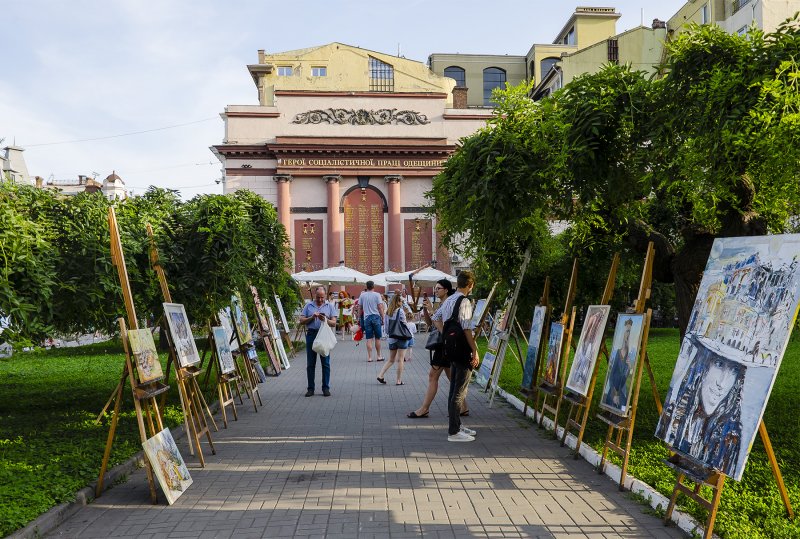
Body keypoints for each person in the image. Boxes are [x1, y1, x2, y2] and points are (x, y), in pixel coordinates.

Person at [656, 343, 744, 476]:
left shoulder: (730, 438)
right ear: (702, 366)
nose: (722, 383)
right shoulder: (676, 415)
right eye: (719, 364)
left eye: (734, 370)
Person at [408, 279, 467, 419]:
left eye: (438, 288)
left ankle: (424, 409)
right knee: (452, 377)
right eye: (435, 288)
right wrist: (425, 310)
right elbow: (431, 324)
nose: (436, 291)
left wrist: (431, 309)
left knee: (432, 376)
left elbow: (445, 323)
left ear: (446, 290)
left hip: (444, 344)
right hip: (443, 343)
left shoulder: (449, 304)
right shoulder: (441, 304)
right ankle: (463, 407)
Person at [433, 270, 479, 442]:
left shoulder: (449, 299)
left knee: (454, 388)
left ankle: (457, 425)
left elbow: (435, 317)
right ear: (470, 285)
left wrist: (445, 333)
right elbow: (466, 328)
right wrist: (474, 350)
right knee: (459, 391)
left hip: (450, 348)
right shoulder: (465, 301)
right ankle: (454, 432)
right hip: (462, 349)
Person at [298, 286, 337, 397]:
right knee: (311, 363)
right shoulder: (308, 305)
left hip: (324, 335)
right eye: (318, 297)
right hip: (312, 334)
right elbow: (301, 321)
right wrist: (311, 317)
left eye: (322, 297)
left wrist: (325, 319)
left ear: (325, 296)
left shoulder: (329, 306)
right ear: (315, 295)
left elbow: (334, 323)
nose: (320, 300)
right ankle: (310, 388)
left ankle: (326, 388)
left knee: (326, 363)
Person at [602, 317, 635, 411]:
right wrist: (614, 393)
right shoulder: (617, 352)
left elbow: (626, 379)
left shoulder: (631, 356)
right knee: (610, 405)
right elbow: (611, 375)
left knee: (623, 406)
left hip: (622, 390)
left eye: (629, 332)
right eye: (626, 331)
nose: (627, 335)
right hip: (613, 389)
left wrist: (630, 368)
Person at [377, 294, 409, 385]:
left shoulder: (388, 312)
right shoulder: (400, 311)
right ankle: (398, 380)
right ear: (398, 302)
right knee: (401, 359)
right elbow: (404, 324)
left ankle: (380, 375)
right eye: (401, 301)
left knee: (391, 360)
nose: (402, 303)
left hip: (392, 338)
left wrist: (390, 334)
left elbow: (386, 328)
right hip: (402, 337)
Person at [359, 281, 385, 362]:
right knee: (377, 338)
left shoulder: (362, 295)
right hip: (376, 317)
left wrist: (359, 318)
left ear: (366, 287)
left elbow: (360, 308)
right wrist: (383, 317)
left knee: (369, 338)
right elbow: (380, 307)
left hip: (366, 318)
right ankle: (379, 356)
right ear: (373, 286)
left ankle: (370, 357)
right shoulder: (377, 295)